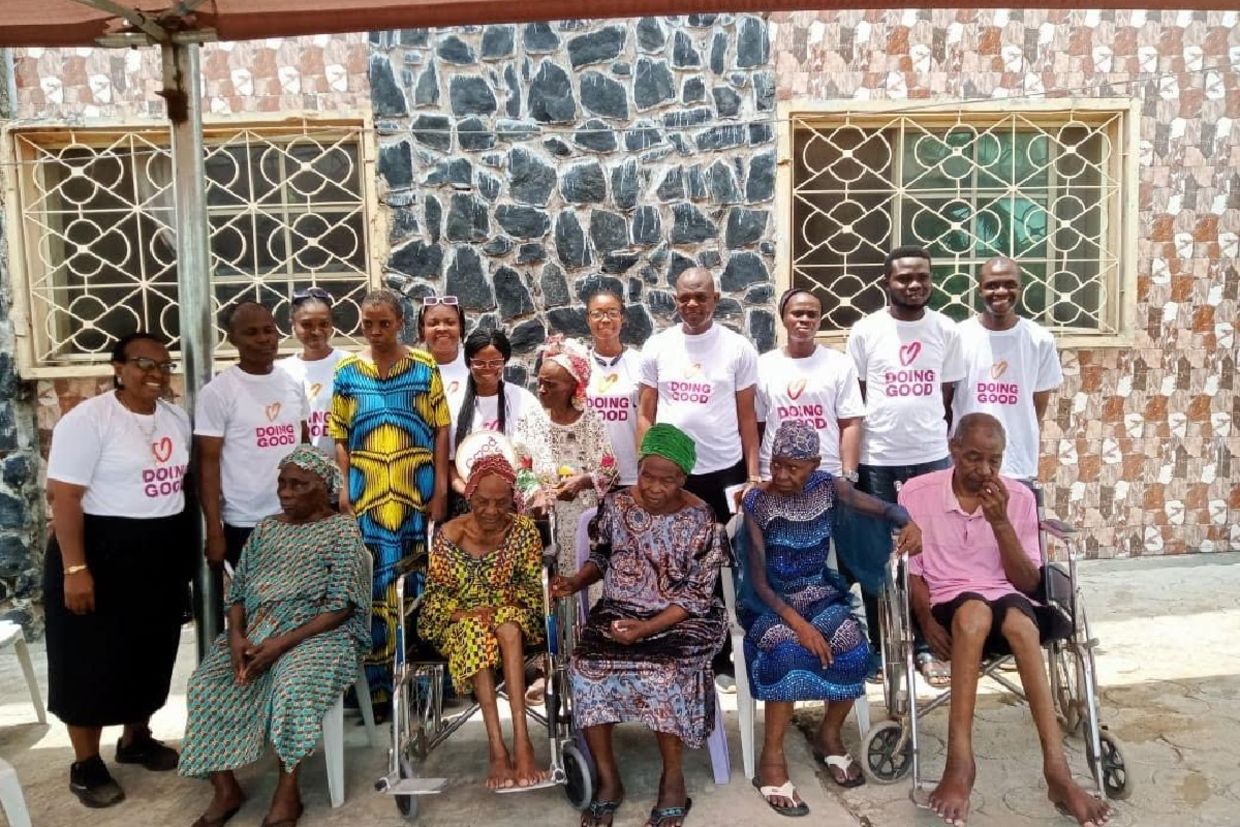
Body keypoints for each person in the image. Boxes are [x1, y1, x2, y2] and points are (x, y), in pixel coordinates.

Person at [899, 414, 1110, 827]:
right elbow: (912, 571)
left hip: (1008, 594)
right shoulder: (917, 493)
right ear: (953, 449)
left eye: (993, 461)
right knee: (974, 615)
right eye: (973, 457)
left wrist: (1000, 522)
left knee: (1021, 626)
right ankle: (960, 764)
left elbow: (1029, 582)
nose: (984, 470)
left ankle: (1058, 772)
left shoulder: (1018, 497)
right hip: (948, 599)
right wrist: (924, 620)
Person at [179, 447, 370, 827]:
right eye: (282, 483)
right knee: (205, 684)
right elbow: (239, 593)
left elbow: (343, 606)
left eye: (298, 484)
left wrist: (282, 645)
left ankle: (288, 790)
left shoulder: (342, 531)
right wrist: (236, 636)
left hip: (320, 632)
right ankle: (225, 788)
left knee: (292, 686)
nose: (285, 492)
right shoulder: (266, 529)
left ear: (324, 488)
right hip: (259, 629)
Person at [740, 422, 921, 814]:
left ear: (815, 465)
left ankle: (829, 735)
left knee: (854, 651)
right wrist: (800, 627)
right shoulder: (757, 503)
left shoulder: (829, 487)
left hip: (817, 592)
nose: (783, 475)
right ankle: (771, 761)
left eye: (794, 468)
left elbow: (880, 508)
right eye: (778, 465)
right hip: (770, 602)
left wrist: (906, 520)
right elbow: (758, 582)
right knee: (786, 655)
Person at [554, 424, 727, 827]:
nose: (653, 487)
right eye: (648, 474)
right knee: (585, 666)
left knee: (662, 672)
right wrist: (576, 581)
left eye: (667, 480)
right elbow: (601, 557)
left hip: (684, 620)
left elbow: (696, 597)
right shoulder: (615, 505)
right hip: (621, 611)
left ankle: (673, 779)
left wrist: (647, 629)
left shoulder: (701, 516)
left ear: (683, 479)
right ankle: (609, 781)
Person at [44, 332, 190, 808]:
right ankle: (86, 763)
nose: (154, 373)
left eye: (162, 366)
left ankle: (136, 738)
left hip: (157, 553)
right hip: (100, 551)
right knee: (87, 659)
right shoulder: (88, 421)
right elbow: (64, 496)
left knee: (149, 652)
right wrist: (75, 568)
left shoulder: (174, 418)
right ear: (118, 367)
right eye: (143, 363)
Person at [843, 246, 965, 687]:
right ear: (886, 284)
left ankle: (930, 647)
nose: (913, 285)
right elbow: (855, 396)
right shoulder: (866, 331)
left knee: (928, 556)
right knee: (880, 557)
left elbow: (947, 393)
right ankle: (884, 647)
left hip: (932, 457)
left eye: (921, 277)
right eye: (903, 278)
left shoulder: (946, 331)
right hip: (878, 459)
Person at [330, 288, 450, 709]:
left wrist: (439, 489)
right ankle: (374, 690)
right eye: (368, 323)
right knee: (372, 589)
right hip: (367, 499)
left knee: (416, 583)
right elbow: (340, 435)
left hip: (414, 495)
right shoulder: (347, 371)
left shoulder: (423, 366)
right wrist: (345, 489)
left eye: (385, 323)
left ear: (400, 323)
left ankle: (420, 689)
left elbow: (440, 428)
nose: (376, 331)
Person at [420, 448, 548, 790]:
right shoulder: (448, 535)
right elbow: (436, 600)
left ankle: (523, 743)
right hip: (460, 620)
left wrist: (498, 607)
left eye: (501, 502)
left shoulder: (524, 532)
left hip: (512, 614)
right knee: (474, 630)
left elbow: (531, 589)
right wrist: (467, 613)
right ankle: (497, 749)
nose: (492, 511)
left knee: (506, 625)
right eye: (482, 502)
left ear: (513, 500)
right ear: (470, 495)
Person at [196, 302, 310, 619]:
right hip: (246, 523)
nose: (263, 339)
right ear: (233, 338)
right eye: (251, 332)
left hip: (293, 520)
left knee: (294, 612)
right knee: (255, 616)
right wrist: (214, 530)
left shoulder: (291, 383)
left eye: (268, 330)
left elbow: (304, 449)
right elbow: (207, 463)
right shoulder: (218, 392)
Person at [637, 267, 760, 520]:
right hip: (670, 471)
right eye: (685, 298)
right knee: (672, 548)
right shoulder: (657, 346)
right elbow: (645, 415)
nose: (692, 304)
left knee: (726, 544)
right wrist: (645, 468)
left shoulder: (738, 348)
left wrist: (753, 475)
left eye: (701, 297)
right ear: (675, 300)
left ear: (715, 298)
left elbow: (747, 418)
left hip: (725, 469)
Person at [954, 257, 1063, 482]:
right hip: (966, 464)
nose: (1001, 291)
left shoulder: (1039, 339)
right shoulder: (958, 337)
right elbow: (946, 400)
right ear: (980, 290)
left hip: (1017, 462)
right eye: (992, 285)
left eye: (1009, 284)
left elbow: (1037, 406)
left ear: (1020, 288)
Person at [756, 288, 865, 480]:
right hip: (776, 474)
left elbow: (850, 424)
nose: (804, 319)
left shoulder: (839, 363)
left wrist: (849, 476)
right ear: (783, 319)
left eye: (812, 314)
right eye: (797, 313)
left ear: (819, 321)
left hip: (826, 472)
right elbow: (759, 424)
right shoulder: (764, 365)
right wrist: (756, 475)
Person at [449, 328, 550, 502]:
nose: (487, 369)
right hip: (467, 499)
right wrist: (467, 490)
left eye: (495, 362)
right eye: (479, 363)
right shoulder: (453, 402)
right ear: (468, 363)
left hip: (515, 499)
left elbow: (541, 454)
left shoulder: (524, 400)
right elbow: (448, 462)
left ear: (505, 361)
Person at [277, 287, 348, 455]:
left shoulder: (350, 364)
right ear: (293, 325)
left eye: (323, 324)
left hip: (345, 471)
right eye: (306, 325)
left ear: (332, 325)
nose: (316, 332)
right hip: (298, 472)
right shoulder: (282, 371)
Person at [584, 287, 642, 489]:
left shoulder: (639, 363)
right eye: (597, 314)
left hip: (632, 475)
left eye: (612, 313)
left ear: (622, 317)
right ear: (587, 319)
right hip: (589, 477)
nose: (605, 320)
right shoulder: (578, 364)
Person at [417, 295, 469, 446]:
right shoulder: (412, 369)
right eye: (433, 323)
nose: (442, 328)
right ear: (422, 329)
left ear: (461, 328)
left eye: (450, 323)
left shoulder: (476, 366)